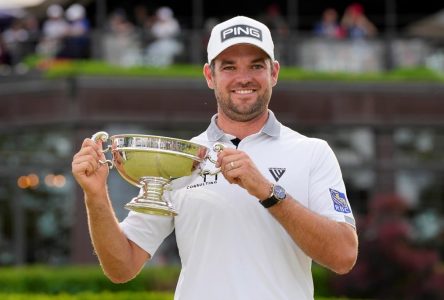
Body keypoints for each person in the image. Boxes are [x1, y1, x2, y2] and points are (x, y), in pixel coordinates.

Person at [72, 16, 358, 299]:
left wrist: (268, 192)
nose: (243, 78)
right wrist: (95, 196)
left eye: (256, 66)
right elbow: (122, 266)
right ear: (210, 75)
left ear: (274, 73)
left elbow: (344, 255)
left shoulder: (312, 152)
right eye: (229, 67)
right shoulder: (180, 158)